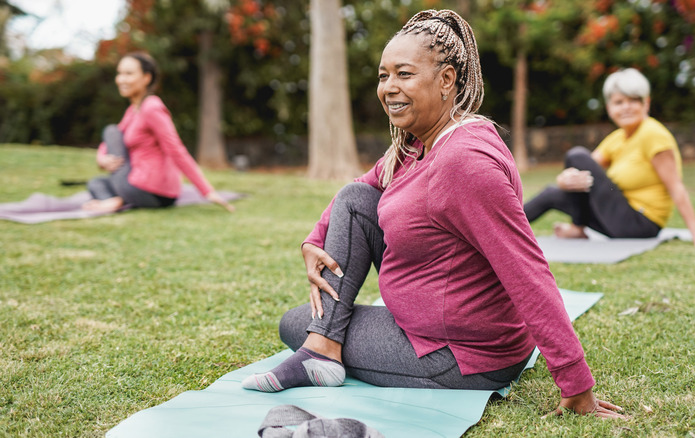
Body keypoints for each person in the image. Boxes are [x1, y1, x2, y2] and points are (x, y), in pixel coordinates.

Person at [242, 10, 626, 419]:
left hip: (461, 355)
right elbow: (361, 188)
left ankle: (321, 347)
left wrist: (576, 384)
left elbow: (526, 269)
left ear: (446, 80)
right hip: (433, 329)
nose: (389, 87)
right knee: (356, 200)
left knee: (294, 322)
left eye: (404, 74)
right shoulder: (418, 144)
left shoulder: (464, 162)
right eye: (383, 75)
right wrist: (313, 239)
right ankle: (323, 347)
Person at [524, 68, 695, 249]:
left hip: (640, 223)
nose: (626, 107)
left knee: (576, 154)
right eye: (619, 102)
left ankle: (578, 228)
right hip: (616, 218)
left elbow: (676, 187)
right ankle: (499, 233)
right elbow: (583, 169)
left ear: (646, 103)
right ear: (609, 107)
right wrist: (564, 180)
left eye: (633, 100)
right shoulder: (618, 138)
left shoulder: (653, 134)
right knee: (552, 193)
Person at [82, 52, 233, 213]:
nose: (121, 79)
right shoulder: (133, 110)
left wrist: (207, 191)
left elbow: (176, 149)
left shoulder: (151, 107)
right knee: (96, 183)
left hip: (151, 190)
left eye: (129, 73)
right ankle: (118, 200)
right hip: (140, 186)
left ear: (146, 78)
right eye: (119, 73)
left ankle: (118, 200)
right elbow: (112, 139)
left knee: (111, 130)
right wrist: (101, 159)